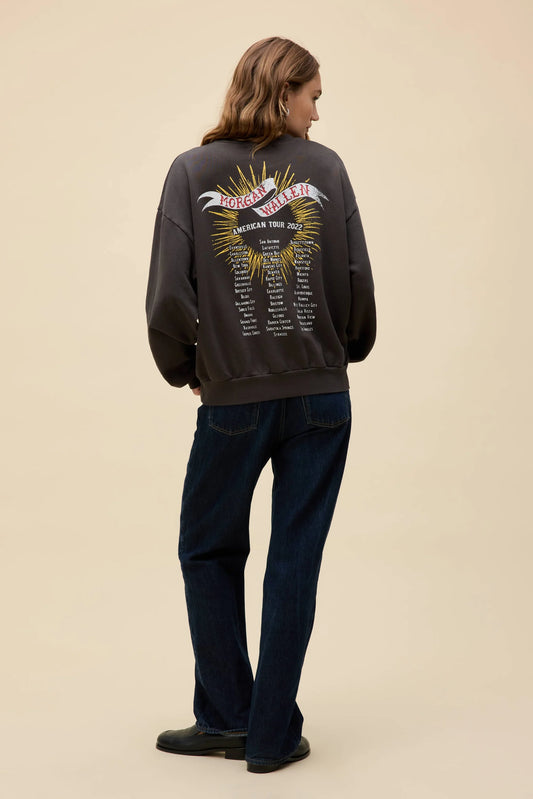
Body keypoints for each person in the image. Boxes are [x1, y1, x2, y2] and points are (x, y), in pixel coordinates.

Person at [145, 36, 376, 774]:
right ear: (282, 91)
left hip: (234, 399)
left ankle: (226, 718)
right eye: (313, 96)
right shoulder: (326, 170)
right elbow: (355, 279)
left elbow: (168, 294)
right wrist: (342, 352)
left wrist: (188, 367)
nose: (317, 112)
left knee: (209, 549)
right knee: (294, 559)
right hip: (321, 398)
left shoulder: (192, 171)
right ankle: (270, 734)